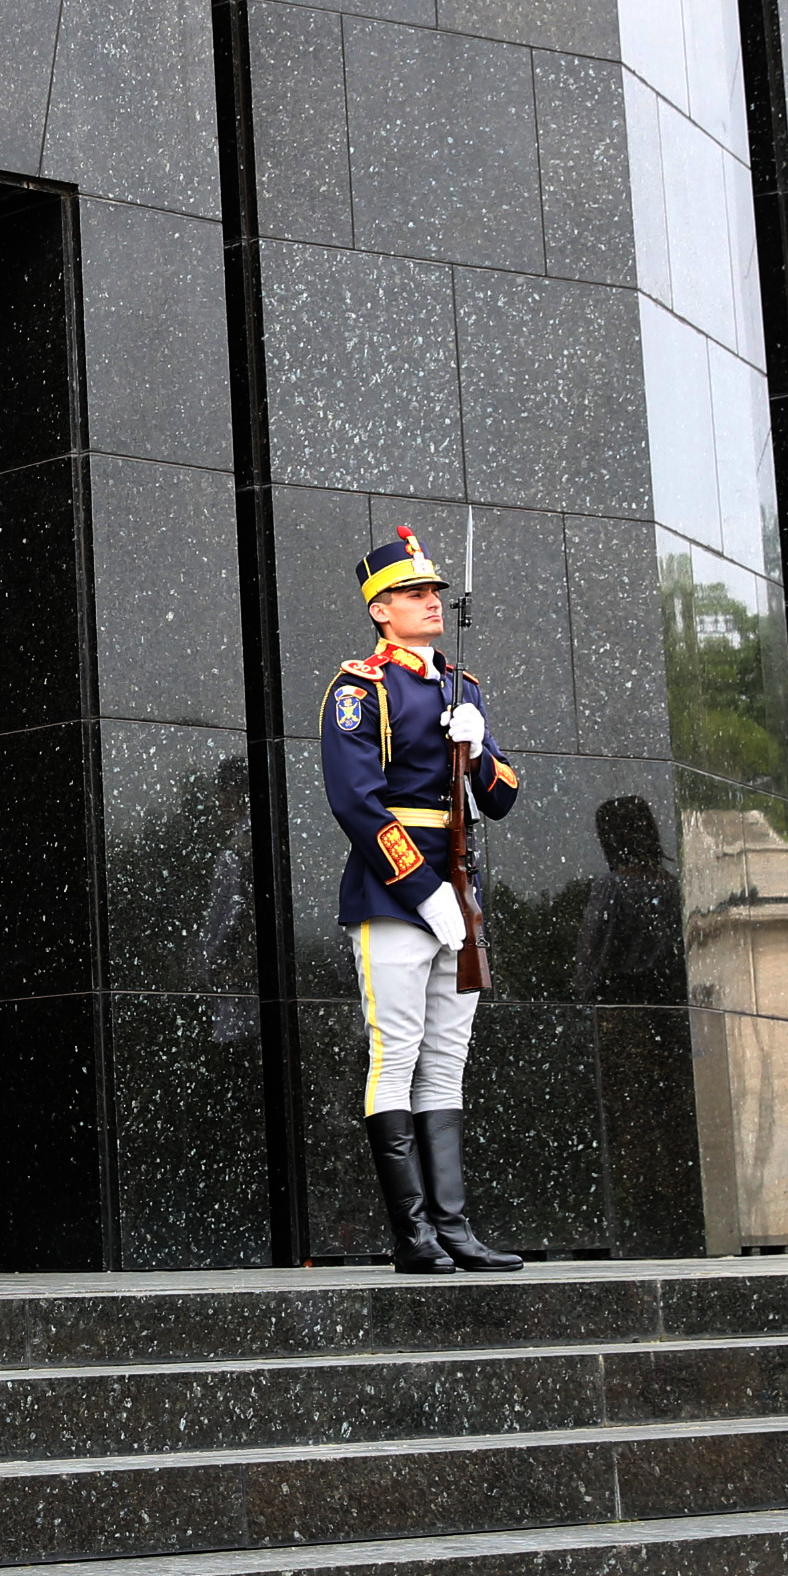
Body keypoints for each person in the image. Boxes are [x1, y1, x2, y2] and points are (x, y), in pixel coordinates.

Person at [322, 528, 522, 1275]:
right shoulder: (361, 689)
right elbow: (356, 803)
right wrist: (422, 890)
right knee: (395, 1054)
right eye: (414, 594)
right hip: (394, 892)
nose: (431, 603)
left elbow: (501, 799)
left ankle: (454, 1227)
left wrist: (482, 756)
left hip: (459, 893)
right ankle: (413, 1235)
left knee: (447, 1061)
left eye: (435, 592)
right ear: (381, 610)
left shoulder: (462, 689)